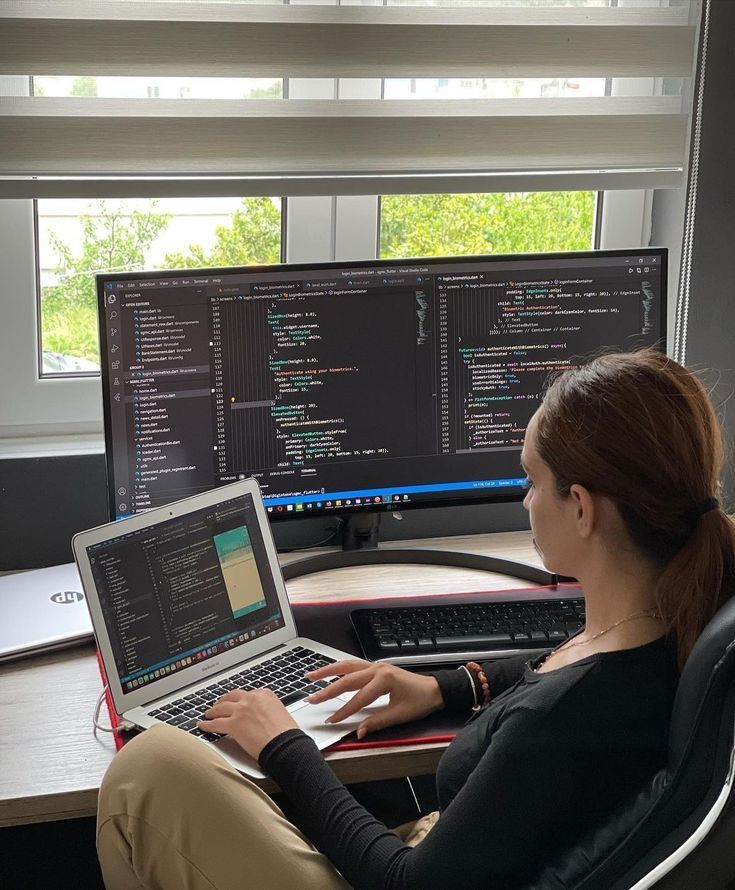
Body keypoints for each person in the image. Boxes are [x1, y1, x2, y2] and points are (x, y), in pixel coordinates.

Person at [96, 349, 735, 890]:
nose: (523, 499)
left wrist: (283, 743)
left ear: (581, 508)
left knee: (148, 769)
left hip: (411, 871)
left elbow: (408, 882)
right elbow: (565, 669)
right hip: (470, 855)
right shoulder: (677, 619)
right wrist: (440, 686)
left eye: (531, 480)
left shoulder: (557, 723)